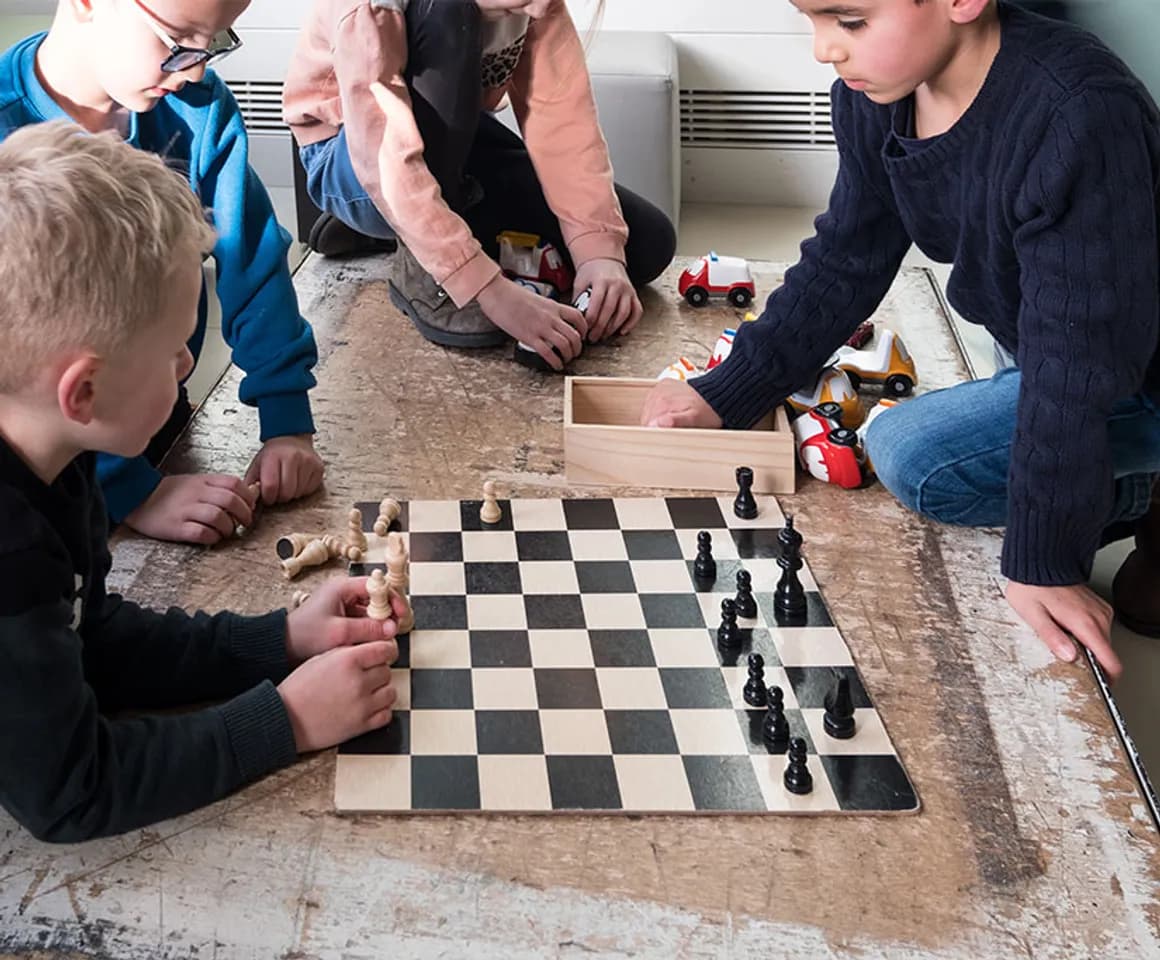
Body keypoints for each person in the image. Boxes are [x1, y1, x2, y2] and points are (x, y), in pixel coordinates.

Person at [641, 0, 1160, 679]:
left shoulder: (1078, 113)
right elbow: (847, 256)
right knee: (1012, 369)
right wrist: (736, 386)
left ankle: (1139, 490)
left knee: (910, 454)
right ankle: (1094, 476)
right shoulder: (877, 94)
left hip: (1134, 364)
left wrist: (1045, 558)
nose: (825, 49)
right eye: (813, 21)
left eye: (849, 22)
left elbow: (1078, 366)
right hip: (1058, 334)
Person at [0, 122, 403, 842]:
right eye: (173, 353)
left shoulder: (52, 454)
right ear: (82, 392)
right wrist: (288, 720)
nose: (189, 367)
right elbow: (70, 789)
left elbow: (91, 637)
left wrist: (279, 640)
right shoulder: (9, 550)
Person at [0, 0, 325, 545]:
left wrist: (285, 416)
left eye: (215, 42)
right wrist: (130, 492)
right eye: (177, 44)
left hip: (148, 416)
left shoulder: (197, 107)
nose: (196, 70)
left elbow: (254, 261)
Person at [283, 0, 678, 371]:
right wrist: (486, 288)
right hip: (354, 156)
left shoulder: (535, 5)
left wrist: (599, 253)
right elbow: (382, 153)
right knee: (447, 10)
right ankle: (414, 252)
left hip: (451, 148)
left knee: (647, 244)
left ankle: (419, 228)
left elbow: (563, 125)